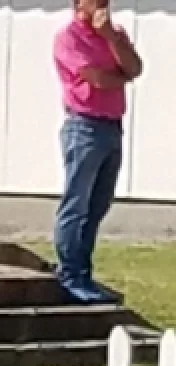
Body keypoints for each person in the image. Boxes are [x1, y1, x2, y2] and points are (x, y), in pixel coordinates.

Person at [52, 0, 142, 303]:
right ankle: (69, 274)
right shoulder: (69, 37)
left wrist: (111, 38)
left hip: (112, 126)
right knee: (76, 204)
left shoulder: (115, 33)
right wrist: (122, 77)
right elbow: (98, 79)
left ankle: (83, 273)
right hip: (84, 126)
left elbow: (136, 68)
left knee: (98, 205)